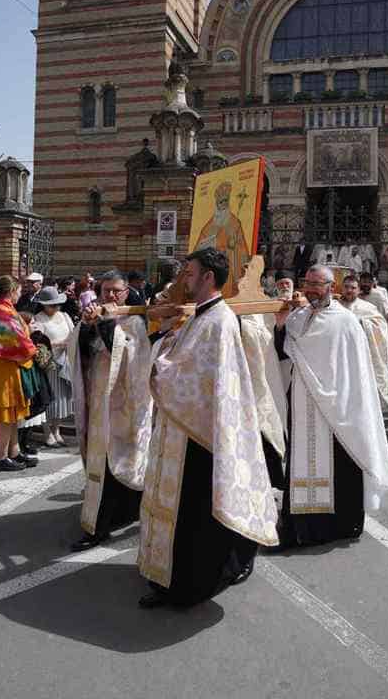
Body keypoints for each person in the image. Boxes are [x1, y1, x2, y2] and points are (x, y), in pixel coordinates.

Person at [138, 248, 278, 608]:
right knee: (180, 512)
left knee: (194, 517)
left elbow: (193, 376)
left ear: (208, 278)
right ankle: (167, 577)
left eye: (190, 272)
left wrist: (159, 366)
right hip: (183, 429)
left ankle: (189, 585)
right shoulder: (201, 318)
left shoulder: (219, 321)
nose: (184, 278)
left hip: (200, 435)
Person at [273, 265, 388, 547]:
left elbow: (357, 372)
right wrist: (280, 324)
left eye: (318, 284)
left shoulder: (345, 321)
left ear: (332, 287)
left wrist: (346, 404)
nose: (311, 289)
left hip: (338, 408)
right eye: (308, 282)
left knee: (341, 465)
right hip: (303, 402)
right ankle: (300, 528)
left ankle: (341, 525)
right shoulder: (297, 318)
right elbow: (283, 352)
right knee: (299, 462)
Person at [68, 271, 155, 551]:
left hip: (124, 407)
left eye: (116, 291)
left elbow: (134, 360)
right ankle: (99, 523)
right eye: (106, 290)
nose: (111, 296)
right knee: (102, 466)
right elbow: (77, 351)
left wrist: (105, 325)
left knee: (121, 463)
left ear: (126, 291)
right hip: (99, 404)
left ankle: (111, 520)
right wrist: (86, 327)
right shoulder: (92, 316)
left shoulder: (134, 322)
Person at [0, 275, 39, 471]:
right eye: (18, 292)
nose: (19, 295)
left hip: (10, 366)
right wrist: (33, 348)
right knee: (5, 414)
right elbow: (15, 340)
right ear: (12, 291)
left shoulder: (5, 309)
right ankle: (0, 458)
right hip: (5, 366)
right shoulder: (2, 311)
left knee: (14, 412)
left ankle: (13, 452)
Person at [338, 274, 388, 411]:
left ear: (358, 290)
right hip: (339, 355)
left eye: (353, 287)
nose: (349, 290)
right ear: (341, 288)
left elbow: (381, 327)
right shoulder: (333, 306)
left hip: (361, 356)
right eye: (346, 287)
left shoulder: (367, 308)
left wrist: (361, 322)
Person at [28, 286, 74, 447]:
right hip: (48, 364)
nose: (55, 308)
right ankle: (47, 432)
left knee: (63, 399)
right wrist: (60, 344)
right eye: (51, 305)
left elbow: (73, 334)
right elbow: (37, 343)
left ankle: (57, 430)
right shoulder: (38, 319)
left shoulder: (65, 316)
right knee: (50, 399)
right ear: (44, 304)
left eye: (57, 304)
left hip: (65, 362)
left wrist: (70, 344)